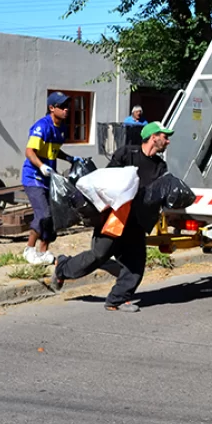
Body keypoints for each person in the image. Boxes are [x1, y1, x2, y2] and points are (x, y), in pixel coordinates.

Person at [50, 121, 174, 313]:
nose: (167, 141)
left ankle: (117, 299)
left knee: (135, 264)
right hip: (114, 217)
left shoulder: (160, 166)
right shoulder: (126, 154)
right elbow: (106, 180)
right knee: (98, 255)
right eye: (165, 137)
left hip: (136, 221)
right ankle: (62, 268)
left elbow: (156, 192)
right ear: (153, 137)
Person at [22, 92, 76, 265]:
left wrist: (69, 158)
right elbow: (29, 151)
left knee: (52, 217)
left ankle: (43, 252)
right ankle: (29, 250)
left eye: (67, 106)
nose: (66, 109)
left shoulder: (62, 128)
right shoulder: (42, 126)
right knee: (43, 214)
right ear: (52, 108)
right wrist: (41, 166)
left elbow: (54, 150)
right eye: (62, 106)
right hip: (33, 177)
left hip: (49, 178)